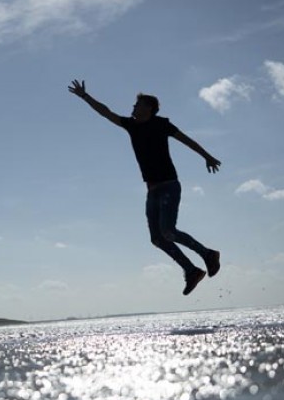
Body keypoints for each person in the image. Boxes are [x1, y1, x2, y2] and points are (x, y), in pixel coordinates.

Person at [68, 79, 221, 295]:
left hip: (169, 186)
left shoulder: (161, 125)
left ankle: (208, 254)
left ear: (149, 108)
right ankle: (192, 271)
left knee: (168, 230)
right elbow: (105, 112)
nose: (132, 109)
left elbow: (187, 141)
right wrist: (85, 97)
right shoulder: (131, 126)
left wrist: (207, 156)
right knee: (157, 238)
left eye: (136, 105)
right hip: (152, 190)